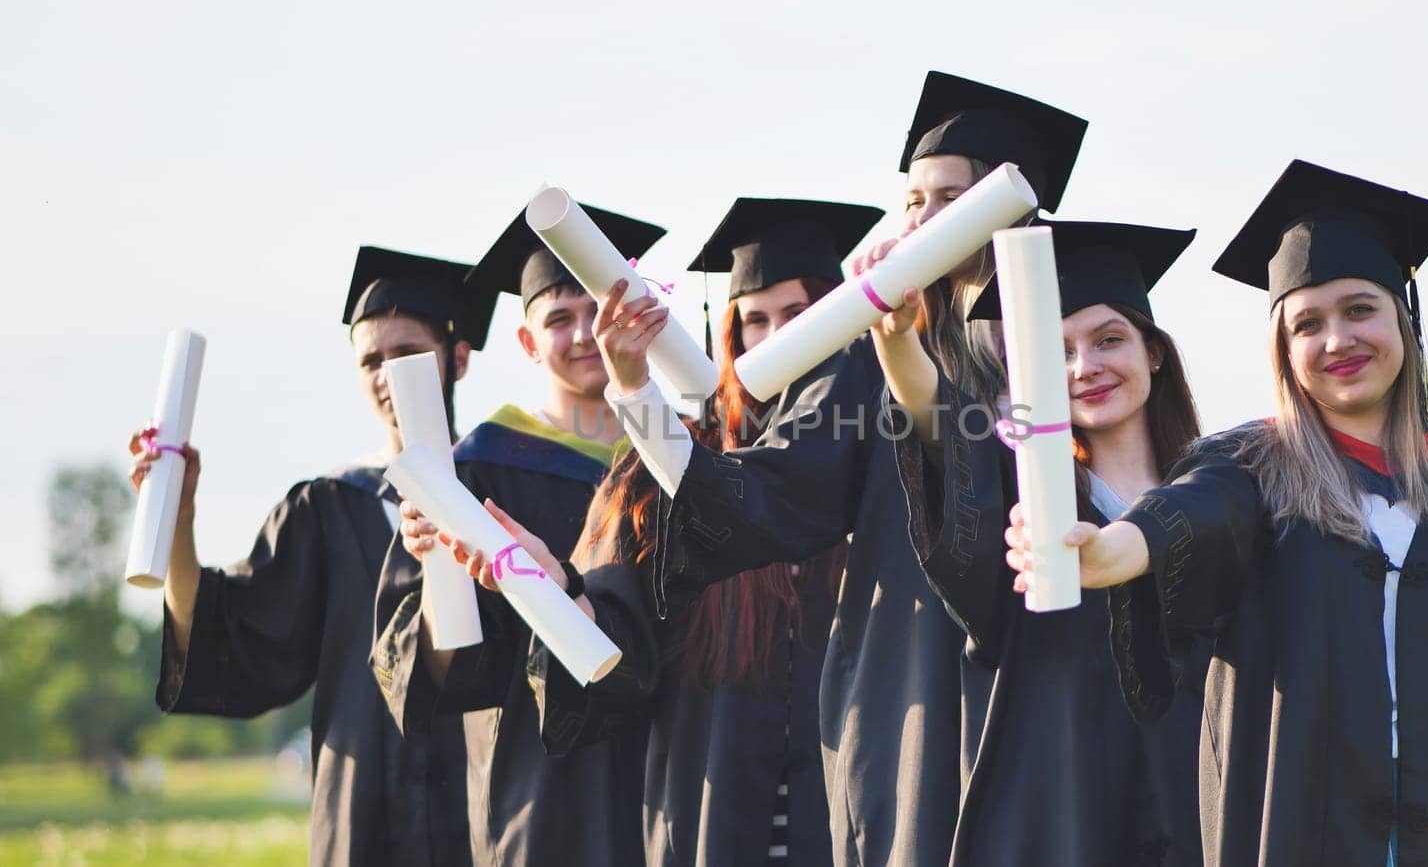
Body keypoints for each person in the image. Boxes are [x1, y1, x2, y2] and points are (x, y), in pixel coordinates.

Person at [1007, 160, 1428, 865]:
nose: (1337, 341)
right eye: (1307, 324)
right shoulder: (1252, 475)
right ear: (1284, 352)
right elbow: (1185, 518)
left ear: (1403, 319)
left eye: (1359, 310)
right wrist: (1111, 551)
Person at [596, 71, 1087, 866]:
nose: (921, 219)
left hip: (1058, 692)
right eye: (913, 201)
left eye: (947, 198)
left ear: (1010, 212)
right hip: (915, 694)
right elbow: (761, 491)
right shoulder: (863, 363)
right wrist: (632, 388)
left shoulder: (1075, 348)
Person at [496, 196, 876, 866]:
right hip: (706, 821)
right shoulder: (652, 472)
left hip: (861, 812)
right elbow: (613, 654)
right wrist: (552, 584)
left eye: (800, 315)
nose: (778, 339)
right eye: (754, 320)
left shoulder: (881, 458)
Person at [130, 245, 494, 867]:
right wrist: (181, 520)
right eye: (371, 361)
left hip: (490, 806)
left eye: (407, 355)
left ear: (456, 359)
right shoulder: (326, 508)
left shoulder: (505, 492)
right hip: (365, 811)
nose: (387, 376)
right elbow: (236, 635)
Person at [869, 219, 1207, 864]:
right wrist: (895, 339)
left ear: (1153, 352)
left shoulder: (1218, 488)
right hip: (1060, 812)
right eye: (1058, 352)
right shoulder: (1025, 495)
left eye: (1110, 340)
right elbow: (938, 425)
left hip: (1200, 805)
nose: (1086, 368)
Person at [370, 202, 664, 867]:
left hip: (672, 767)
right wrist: (438, 569)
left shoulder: (670, 456)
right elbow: (421, 675)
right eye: (558, 318)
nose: (586, 332)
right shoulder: (474, 470)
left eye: (596, 307)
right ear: (528, 343)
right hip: (545, 787)